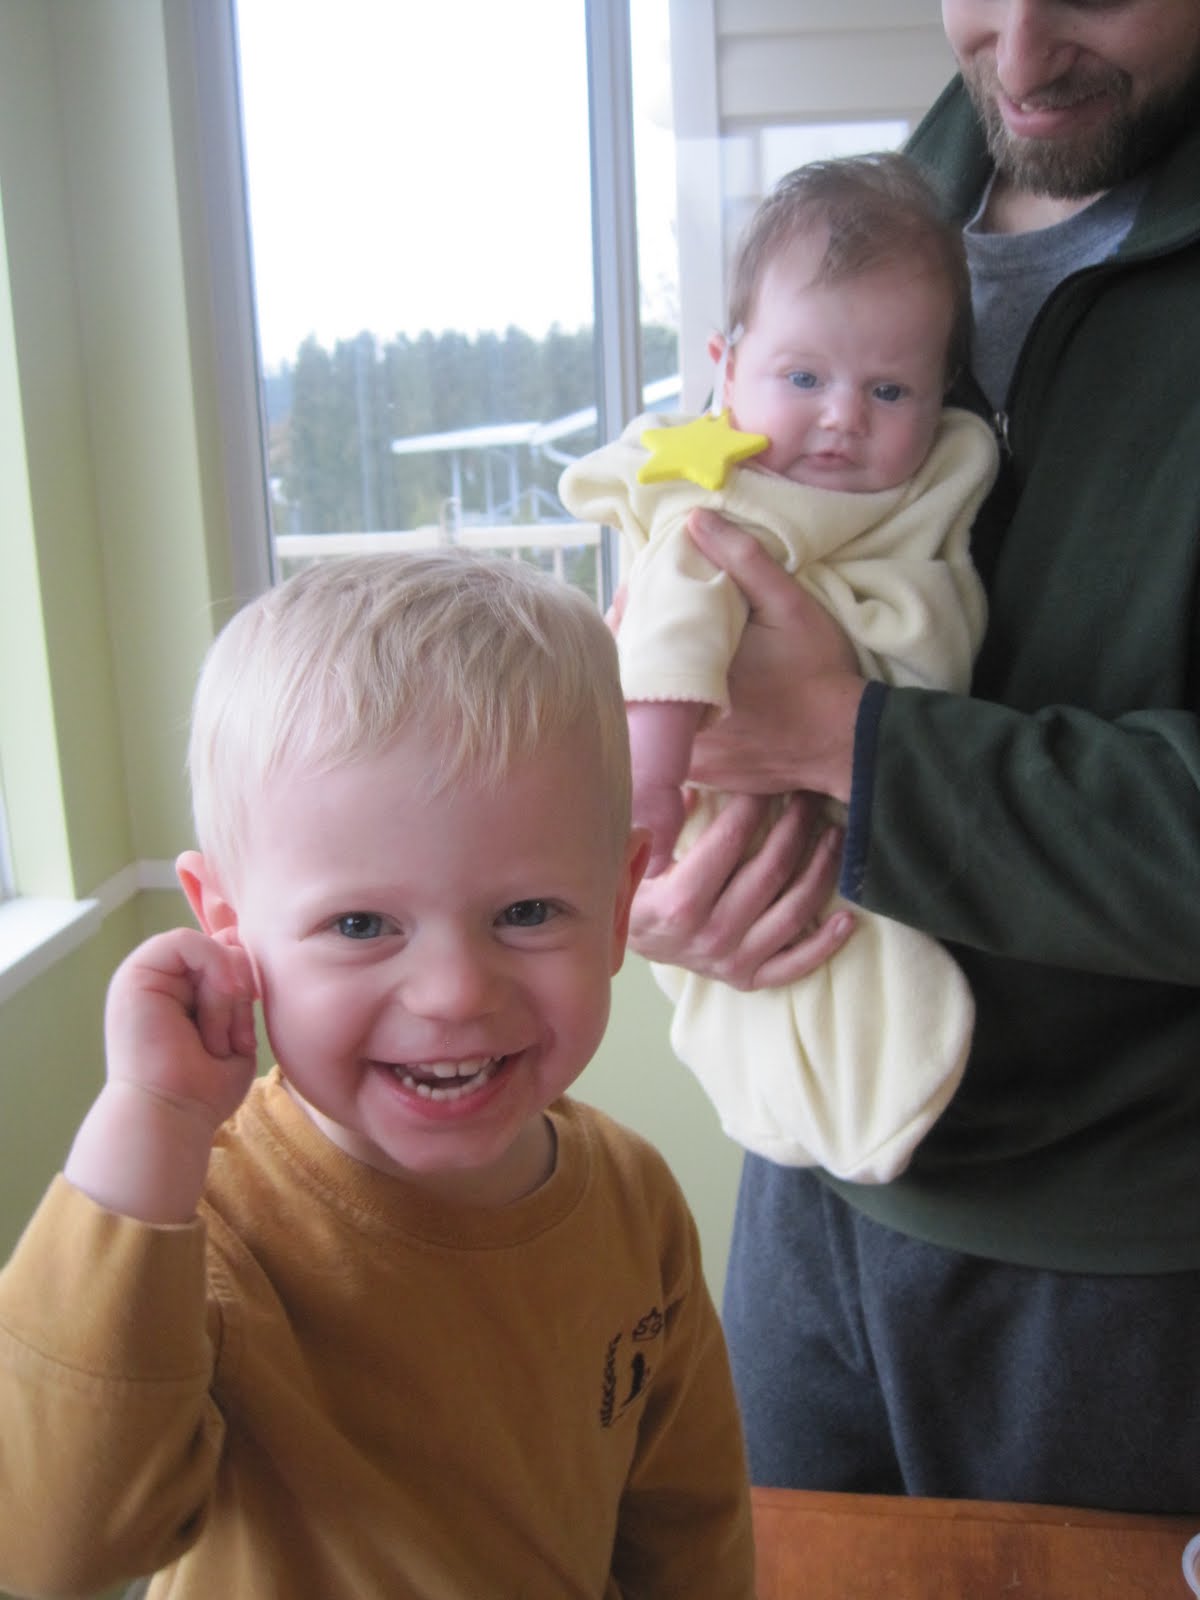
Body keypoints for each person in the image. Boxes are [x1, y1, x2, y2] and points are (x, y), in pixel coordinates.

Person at [626, 0, 1200, 1516]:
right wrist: (659, 878)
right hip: (802, 1154)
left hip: (1118, 1247)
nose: (1021, 57)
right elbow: (691, 572)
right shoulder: (884, 209)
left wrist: (855, 747)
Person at [0, 552, 756, 1599]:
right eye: (360, 924)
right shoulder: (200, 1227)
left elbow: (689, 1523)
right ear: (228, 927)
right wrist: (150, 1120)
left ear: (619, 905)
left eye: (526, 912)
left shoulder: (635, 1200)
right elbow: (47, 1545)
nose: (453, 992)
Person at [560, 153, 998, 1181]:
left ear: (940, 393)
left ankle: (860, 1092)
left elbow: (939, 605)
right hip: (701, 789)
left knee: (845, 943)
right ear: (727, 368)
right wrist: (650, 781)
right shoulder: (721, 492)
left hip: (873, 799)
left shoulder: (936, 480)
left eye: (889, 389)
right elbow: (672, 610)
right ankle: (801, 1096)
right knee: (761, 938)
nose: (842, 417)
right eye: (804, 378)